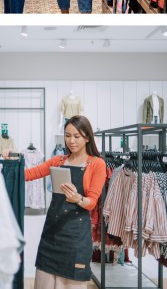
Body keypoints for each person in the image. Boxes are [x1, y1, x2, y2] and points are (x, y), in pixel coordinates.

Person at [25, 115, 107, 288]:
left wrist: (78, 198)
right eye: (67, 135)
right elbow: (30, 174)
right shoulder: (59, 161)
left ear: (87, 137)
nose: (71, 141)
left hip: (76, 238)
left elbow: (92, 202)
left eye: (77, 136)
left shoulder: (97, 164)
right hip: (52, 234)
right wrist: (9, 163)